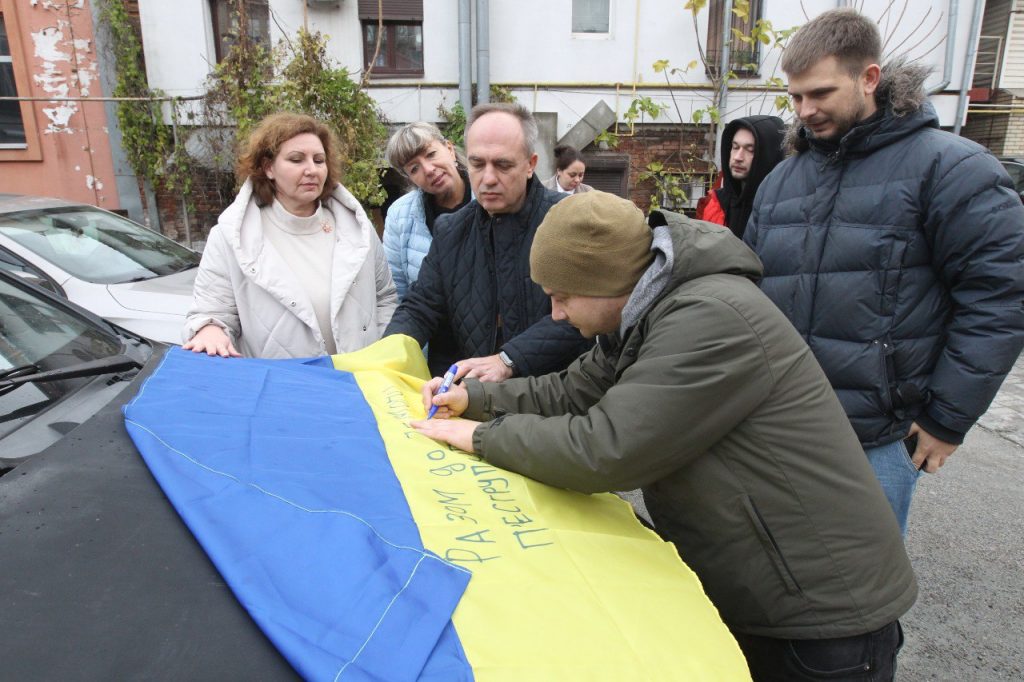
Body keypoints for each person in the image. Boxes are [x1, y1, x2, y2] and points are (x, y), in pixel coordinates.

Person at [412, 191, 917, 680]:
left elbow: (606, 449)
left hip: (819, 615)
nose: (556, 314)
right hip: (767, 590)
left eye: (562, 296)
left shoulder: (709, 318)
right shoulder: (650, 311)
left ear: (607, 281)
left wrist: (479, 437)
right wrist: (476, 400)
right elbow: (574, 389)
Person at [744, 8, 1024, 535]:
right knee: (776, 586)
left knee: (859, 600)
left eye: (820, 93)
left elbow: (998, 300)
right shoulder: (782, 181)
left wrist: (948, 418)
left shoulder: (953, 169)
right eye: (796, 96)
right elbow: (750, 294)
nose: (804, 110)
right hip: (781, 427)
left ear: (869, 78)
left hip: (879, 437)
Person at [385, 103, 590, 380]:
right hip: (471, 400)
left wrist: (509, 359)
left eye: (503, 164)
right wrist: (385, 356)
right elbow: (420, 306)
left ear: (531, 165)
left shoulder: (568, 219)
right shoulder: (450, 230)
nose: (488, 179)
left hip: (553, 399)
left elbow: (585, 315)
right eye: (477, 164)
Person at [183, 112, 397, 359]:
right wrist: (210, 330)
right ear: (268, 168)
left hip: (360, 384)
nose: (312, 170)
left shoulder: (357, 227)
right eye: (296, 160)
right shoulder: (231, 236)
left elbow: (385, 298)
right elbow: (211, 312)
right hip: (282, 389)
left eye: (319, 160)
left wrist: (382, 354)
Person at [383, 122, 473, 300]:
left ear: (449, 149)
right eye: (414, 168)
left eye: (431, 154)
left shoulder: (490, 197)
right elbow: (396, 290)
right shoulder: (399, 215)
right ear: (409, 178)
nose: (429, 170)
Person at [696, 115, 786, 239]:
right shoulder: (716, 204)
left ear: (768, 155)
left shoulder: (783, 213)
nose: (738, 157)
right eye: (735, 147)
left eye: (750, 150)